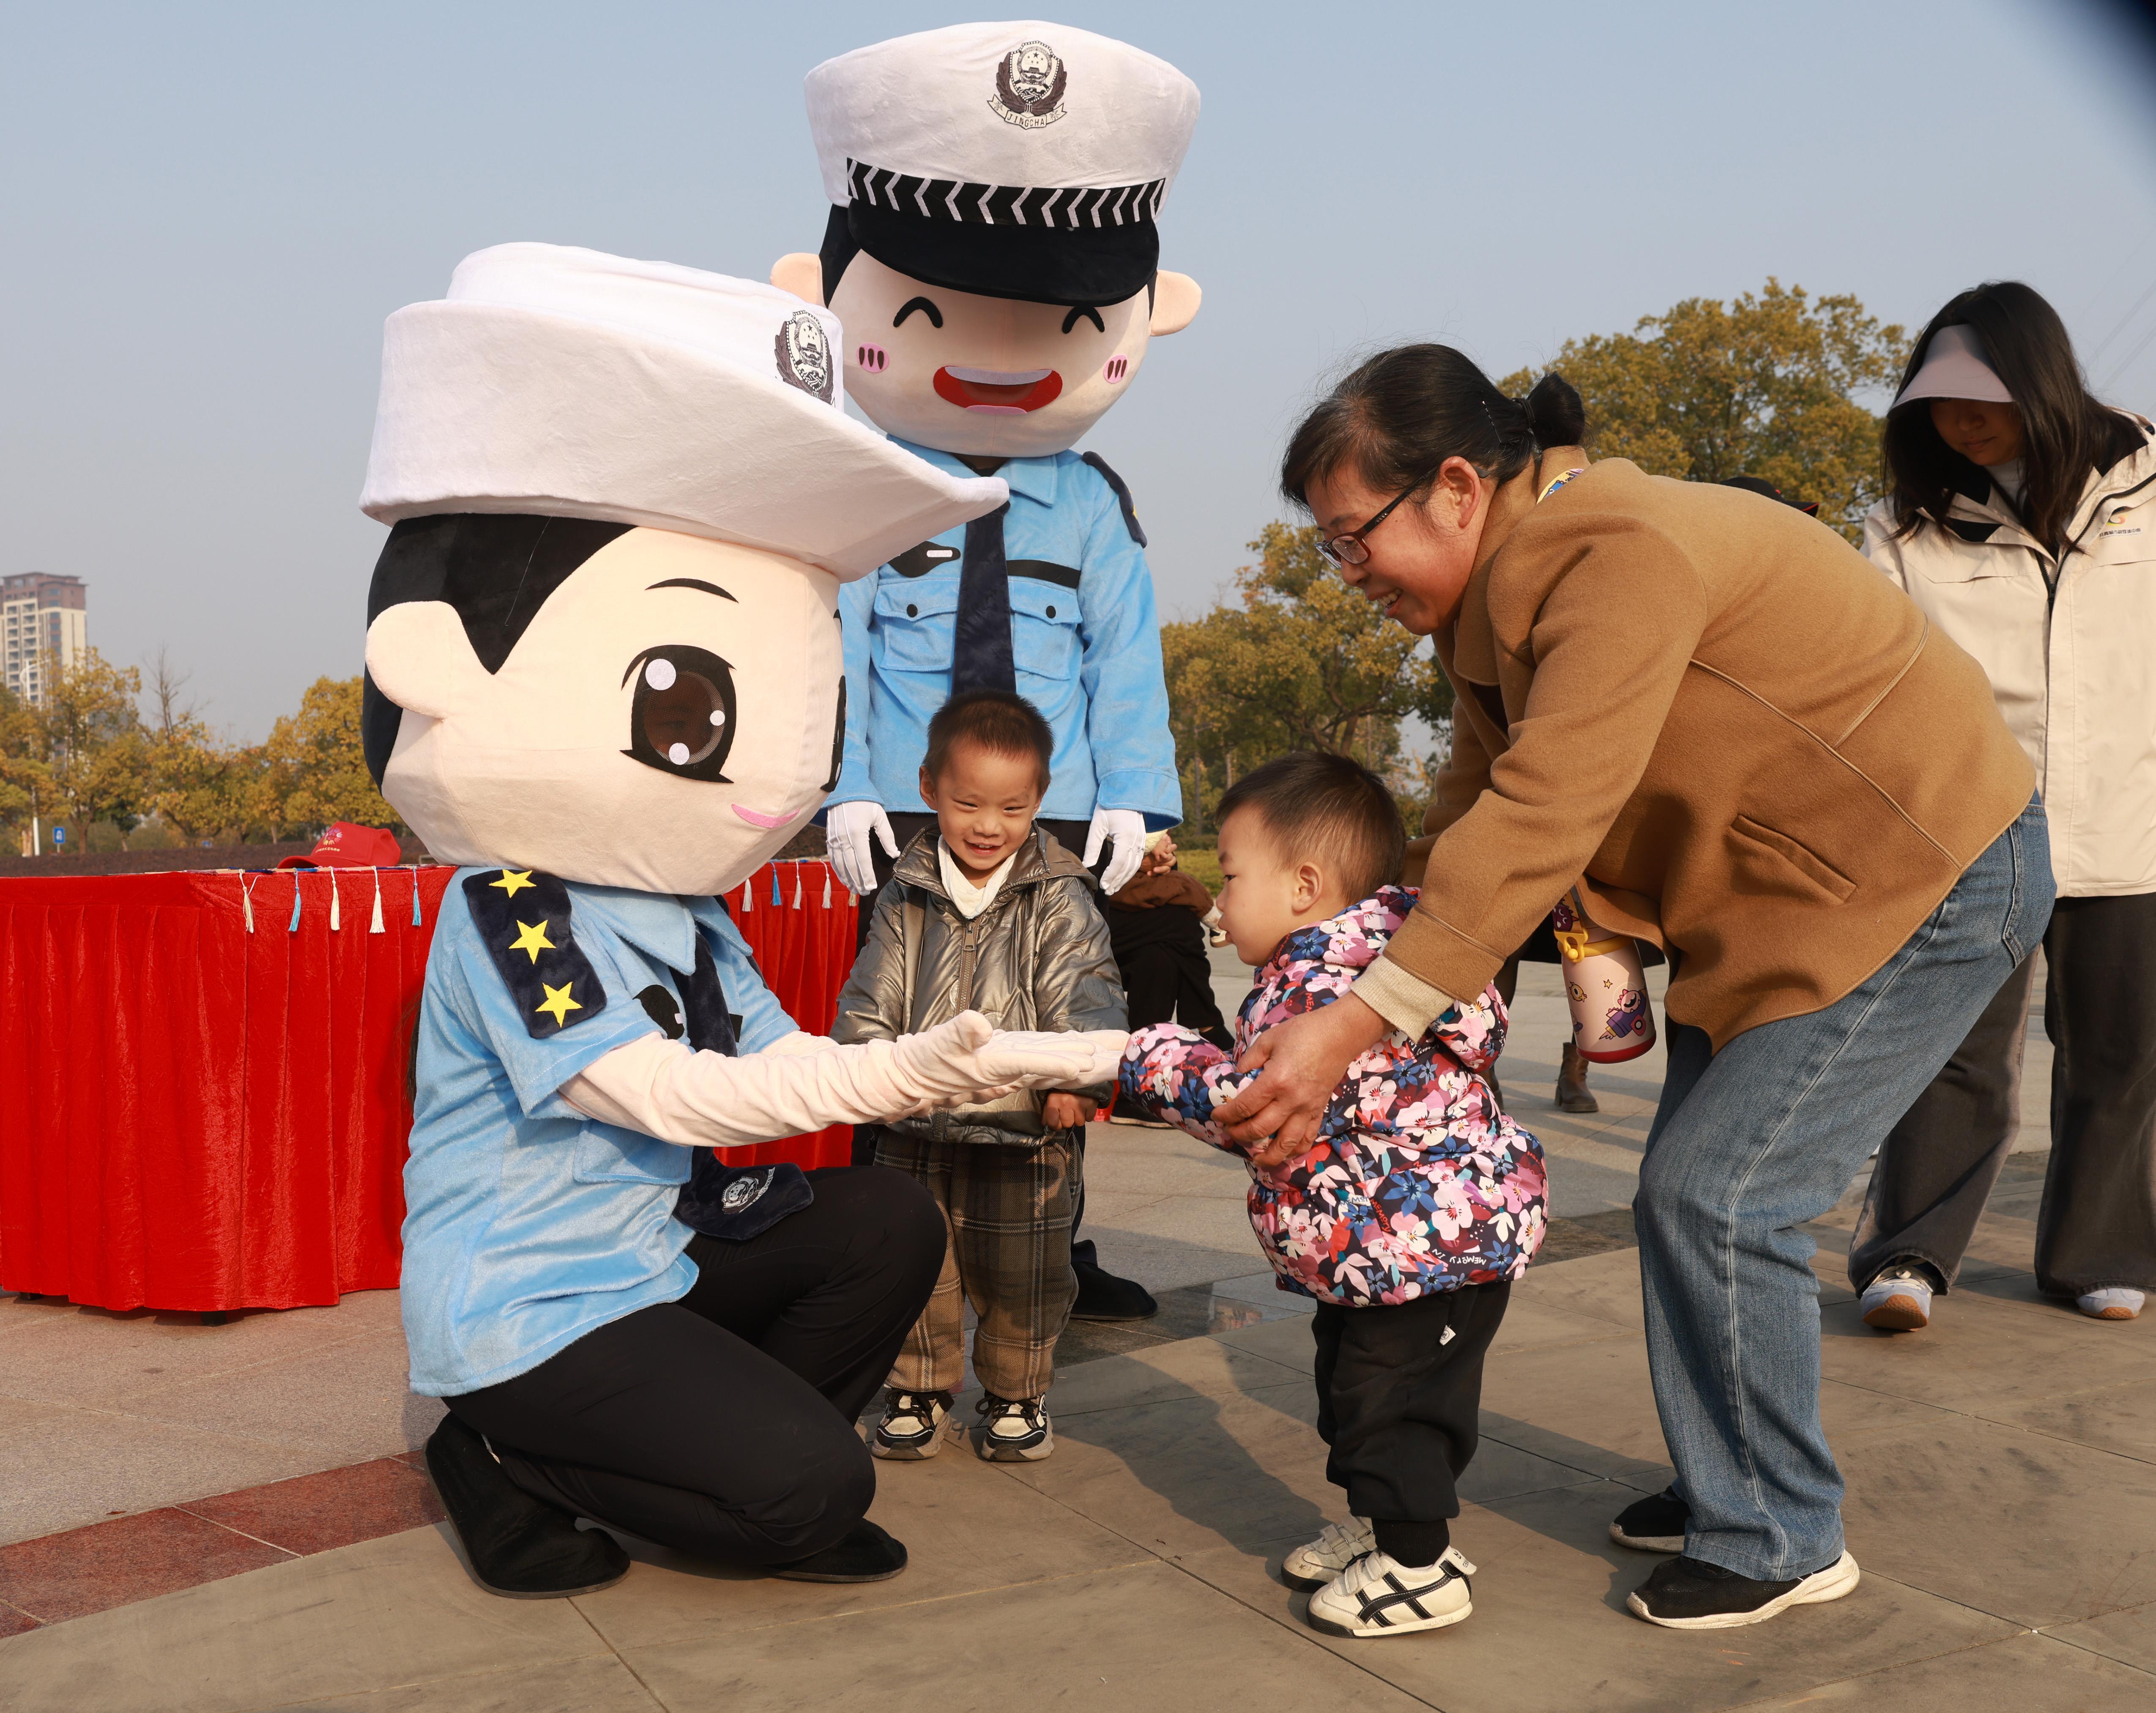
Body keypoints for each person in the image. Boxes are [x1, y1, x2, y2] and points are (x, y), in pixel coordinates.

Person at [1215, 343, 2046, 1629]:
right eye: (1332, 547)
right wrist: (1360, 945)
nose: (1350, 570)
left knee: (1720, 1195)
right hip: (1786, 905)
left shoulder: (1612, 550)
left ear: (1453, 488)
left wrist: (1359, 1018)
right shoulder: (1495, 612)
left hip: (1922, 877)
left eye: (1351, 536)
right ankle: (1732, 1473)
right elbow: (1472, 804)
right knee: (1688, 1196)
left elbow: (1547, 805)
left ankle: (1777, 1530)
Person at [358, 245, 1124, 1598]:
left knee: (888, 1221)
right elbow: (663, 1092)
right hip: (536, 1306)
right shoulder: (511, 907)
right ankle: (504, 1450)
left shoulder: (689, 910)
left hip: (654, 1258)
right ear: (445, 670)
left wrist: (1004, 1056)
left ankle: (732, 1451)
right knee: (814, 1492)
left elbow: (776, 1058)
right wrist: (909, 1066)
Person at [1119, 750, 1546, 1638]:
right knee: (1355, 1390)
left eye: (1231, 876)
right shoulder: (1370, 962)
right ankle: (1387, 1528)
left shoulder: (1323, 988)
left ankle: (1421, 1567)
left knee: (1391, 1408)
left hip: (1424, 1249)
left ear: (1305, 885)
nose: (1220, 899)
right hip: (1384, 1248)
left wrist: (1146, 1058)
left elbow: (1251, 1105)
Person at [1852, 282, 2156, 1329]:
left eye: (1980, 397)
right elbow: (1875, 687)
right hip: (1976, 834)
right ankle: (1907, 1253)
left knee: (2119, 1053)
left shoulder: (2147, 489)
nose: (1958, 420)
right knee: (1953, 1050)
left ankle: (2096, 1255)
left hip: (2131, 821)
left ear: (2041, 380)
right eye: (1936, 400)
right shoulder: (1906, 531)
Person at [836, 690, 1125, 1464]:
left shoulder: (1058, 893)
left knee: (1025, 1271)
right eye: (968, 804)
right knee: (916, 1265)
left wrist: (1075, 1080)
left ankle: (1017, 1391)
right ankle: (915, 1386)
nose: (988, 825)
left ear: (1040, 800)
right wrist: (862, 1065)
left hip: (1026, 1128)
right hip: (916, 1119)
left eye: (1012, 808)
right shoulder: (906, 890)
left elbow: (1086, 991)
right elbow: (873, 990)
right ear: (929, 787)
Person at [1105, 829, 1234, 1099]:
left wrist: (1164, 861)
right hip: (1093, 909)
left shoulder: (1148, 813)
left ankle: (1137, 1081)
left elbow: (1158, 882)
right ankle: (1209, 1025)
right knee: (1180, 922)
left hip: (1132, 916)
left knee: (1159, 958)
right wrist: (1135, 856)